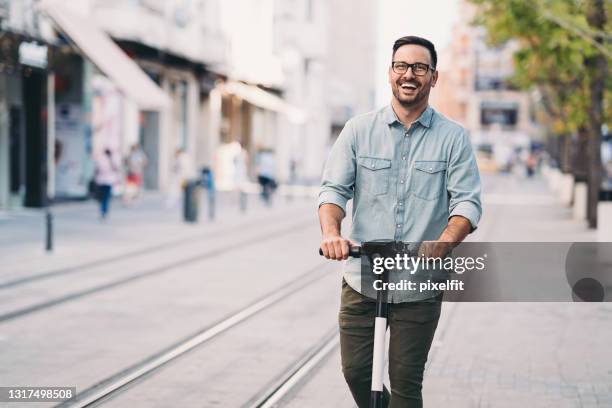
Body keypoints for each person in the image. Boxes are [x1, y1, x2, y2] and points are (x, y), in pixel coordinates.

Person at [318, 36, 482, 408]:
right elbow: (333, 191)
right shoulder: (358, 130)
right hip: (362, 279)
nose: (409, 74)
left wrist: (442, 243)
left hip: (420, 284)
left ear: (434, 77)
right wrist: (332, 234)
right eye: (401, 66)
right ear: (390, 73)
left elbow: (467, 204)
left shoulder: (453, 138)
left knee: (406, 386)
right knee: (357, 372)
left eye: (419, 67)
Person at [94, 148, 121, 220]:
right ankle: (104, 211)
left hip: (100, 181)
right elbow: (116, 170)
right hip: (109, 181)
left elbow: (96, 170)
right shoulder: (112, 160)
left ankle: (102, 210)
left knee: (101, 197)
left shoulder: (100, 160)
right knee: (106, 197)